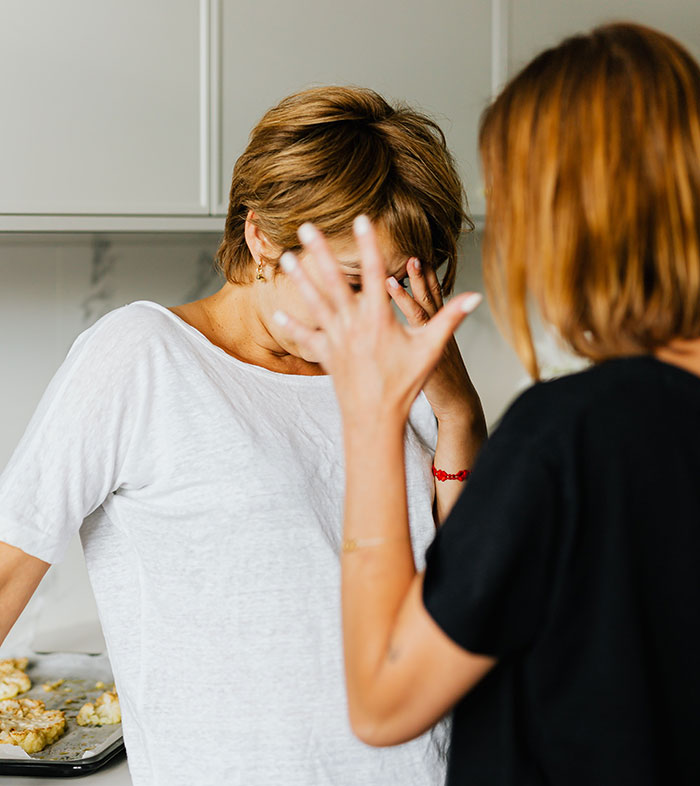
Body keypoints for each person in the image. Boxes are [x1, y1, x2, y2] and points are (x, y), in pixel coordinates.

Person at [0, 86, 487, 784]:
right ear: (261, 235)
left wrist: (458, 412)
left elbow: (469, 591)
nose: (376, 314)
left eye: (400, 284)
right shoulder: (143, 355)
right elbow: (8, 567)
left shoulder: (400, 369)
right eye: (351, 283)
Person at [276, 23, 700, 786]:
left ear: (562, 219)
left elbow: (384, 700)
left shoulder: (571, 436)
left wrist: (372, 415)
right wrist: (458, 413)